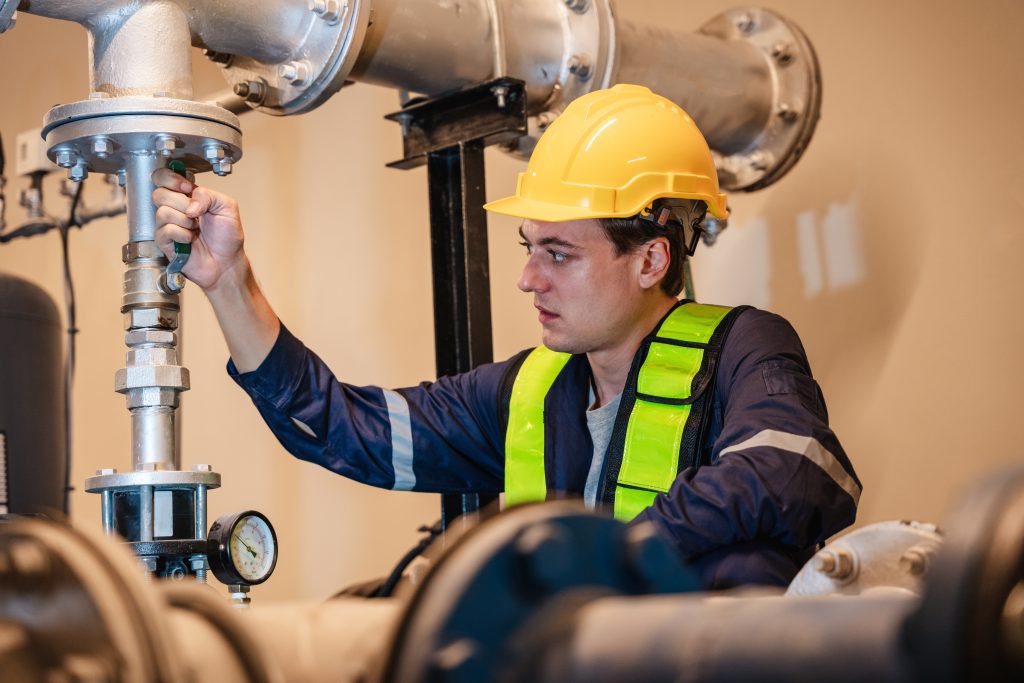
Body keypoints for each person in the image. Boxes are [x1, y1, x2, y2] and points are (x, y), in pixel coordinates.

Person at [151, 84, 860, 589]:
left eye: (559, 253)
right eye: (529, 247)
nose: (527, 279)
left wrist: (611, 552)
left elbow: (794, 472)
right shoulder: (528, 391)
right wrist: (228, 281)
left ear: (650, 259)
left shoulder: (744, 349)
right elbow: (341, 427)